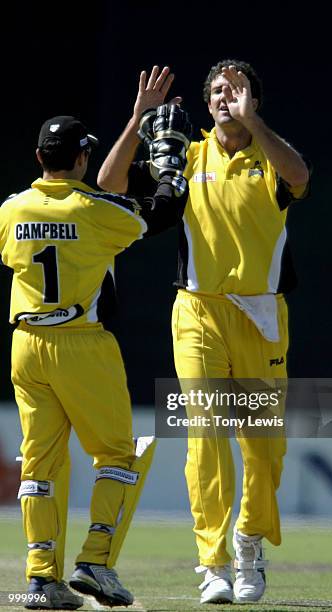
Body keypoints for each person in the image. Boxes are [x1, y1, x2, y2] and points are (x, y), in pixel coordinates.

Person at [98, 60, 311, 604]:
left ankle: (247, 543)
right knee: (205, 435)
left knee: (264, 450)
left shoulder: (269, 155)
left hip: (261, 318)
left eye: (235, 90)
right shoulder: (189, 156)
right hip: (197, 313)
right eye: (217, 90)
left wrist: (254, 123)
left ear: (252, 100)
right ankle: (212, 562)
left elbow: (300, 177)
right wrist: (138, 117)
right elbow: (108, 183)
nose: (224, 97)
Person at [0, 112, 189, 609]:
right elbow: (161, 213)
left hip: (25, 345)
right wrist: (171, 169)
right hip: (82, 344)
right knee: (117, 456)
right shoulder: (92, 209)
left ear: (39, 157)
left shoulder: (11, 209)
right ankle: (96, 561)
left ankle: (41, 578)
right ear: (82, 158)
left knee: (38, 463)